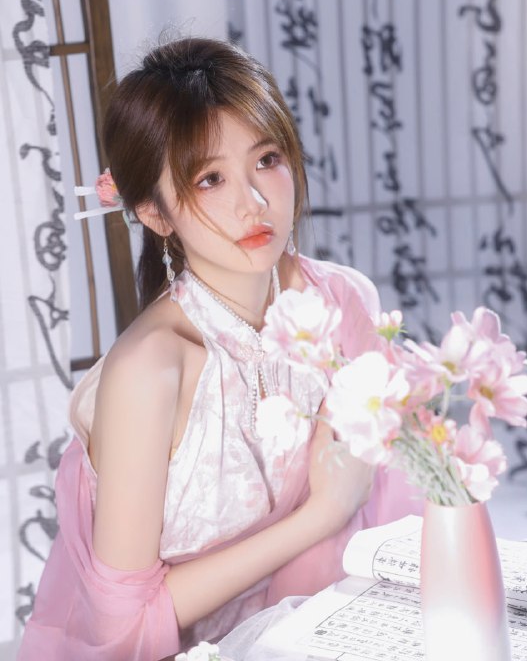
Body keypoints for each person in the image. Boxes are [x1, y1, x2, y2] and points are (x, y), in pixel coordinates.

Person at [18, 37, 420, 661]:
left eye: (267, 159)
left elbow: (396, 506)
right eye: (210, 179)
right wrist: (320, 514)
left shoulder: (339, 303)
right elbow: (123, 630)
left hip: (324, 630)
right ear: (155, 214)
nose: (253, 203)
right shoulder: (151, 370)